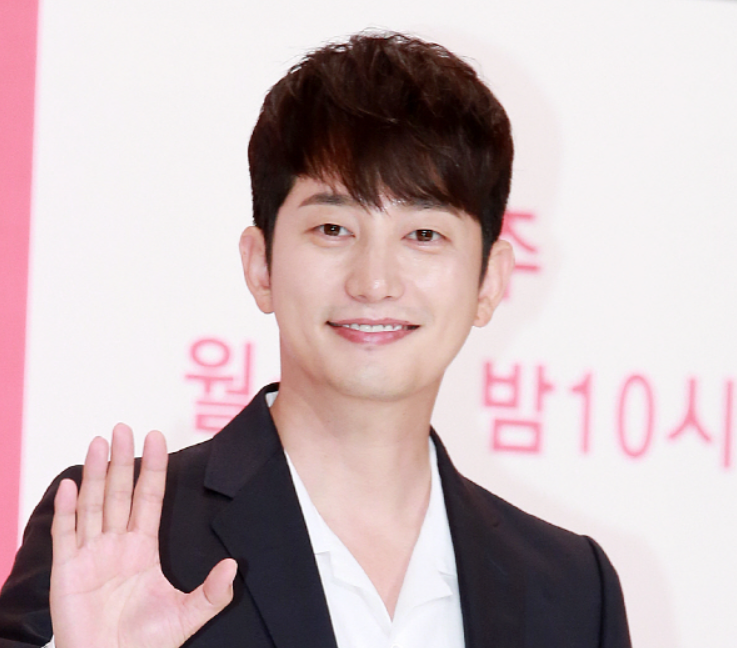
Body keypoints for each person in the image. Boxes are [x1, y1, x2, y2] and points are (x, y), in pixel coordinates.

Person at [0, 32, 631, 648]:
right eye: (333, 229)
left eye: (424, 235)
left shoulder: (572, 589)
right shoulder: (114, 537)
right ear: (261, 266)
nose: (375, 282)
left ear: (489, 281)